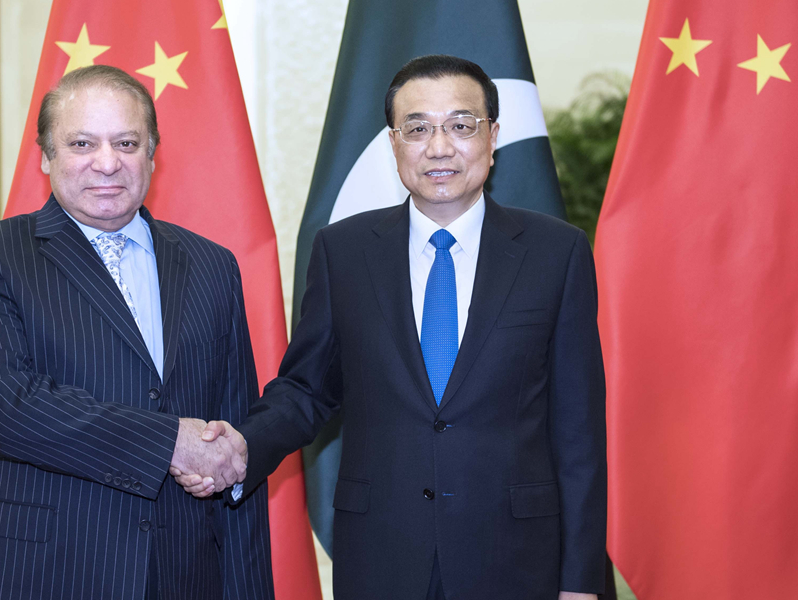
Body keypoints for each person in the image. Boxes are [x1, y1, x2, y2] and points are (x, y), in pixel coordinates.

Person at [181, 55, 607, 600]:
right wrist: (243, 445)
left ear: (493, 136)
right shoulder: (343, 251)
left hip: (516, 559)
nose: (439, 147)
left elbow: (578, 432)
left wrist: (579, 582)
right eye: (418, 128)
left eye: (461, 125)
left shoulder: (557, 252)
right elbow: (307, 389)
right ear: (394, 142)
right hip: (381, 555)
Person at [0, 64, 272, 600]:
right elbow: (9, 409)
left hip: (183, 577)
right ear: (46, 155)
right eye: (82, 143)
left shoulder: (212, 265)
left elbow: (231, 447)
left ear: (152, 154)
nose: (108, 162)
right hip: (40, 575)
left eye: (127, 143)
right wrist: (170, 442)